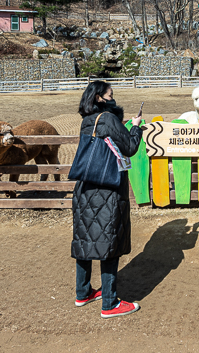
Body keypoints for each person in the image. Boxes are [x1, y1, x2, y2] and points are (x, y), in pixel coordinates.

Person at [72, 80, 143, 318]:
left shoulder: (87, 121)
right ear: (101, 98)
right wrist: (136, 127)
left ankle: (83, 293)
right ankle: (110, 303)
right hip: (107, 190)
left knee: (84, 239)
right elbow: (130, 147)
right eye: (110, 95)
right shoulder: (110, 119)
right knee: (108, 242)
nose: (113, 97)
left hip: (84, 189)